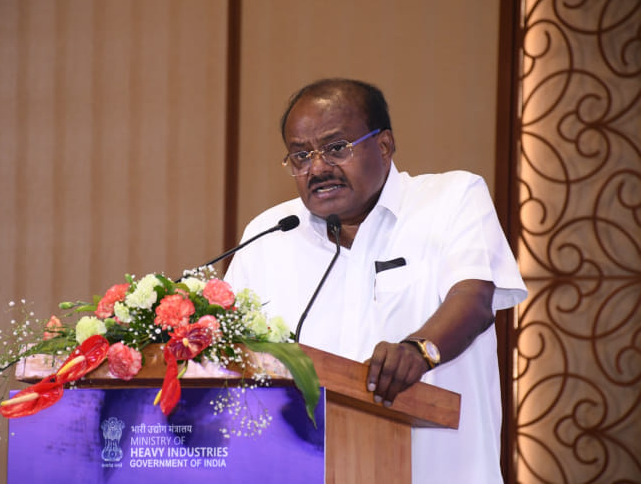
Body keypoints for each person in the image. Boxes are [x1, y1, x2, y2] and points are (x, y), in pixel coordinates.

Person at [224, 78, 527, 482]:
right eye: (300, 155)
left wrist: (419, 351)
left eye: (336, 148)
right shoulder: (270, 234)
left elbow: (473, 300)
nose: (317, 168)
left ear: (384, 146)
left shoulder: (451, 199)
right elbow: (228, 358)